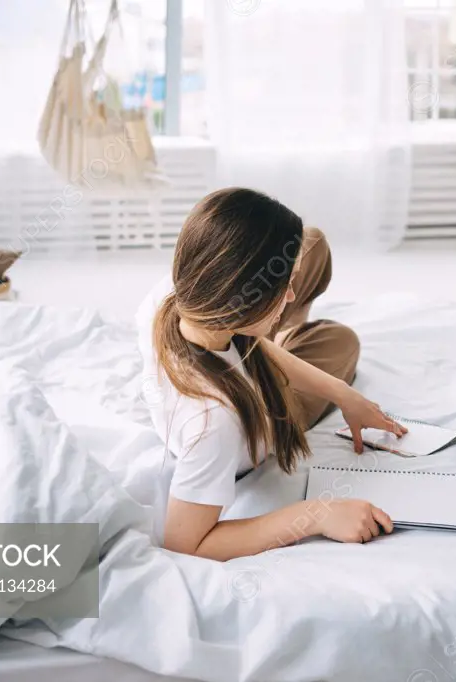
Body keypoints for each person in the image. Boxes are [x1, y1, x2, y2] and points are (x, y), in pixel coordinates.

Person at [136, 187, 407, 561]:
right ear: (243, 306)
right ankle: (289, 327)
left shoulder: (180, 293)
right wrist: (316, 515)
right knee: (341, 341)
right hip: (267, 412)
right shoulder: (214, 425)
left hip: (243, 348)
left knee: (312, 244)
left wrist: (345, 394)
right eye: (285, 288)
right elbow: (185, 543)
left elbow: (252, 347)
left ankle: (281, 320)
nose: (293, 295)